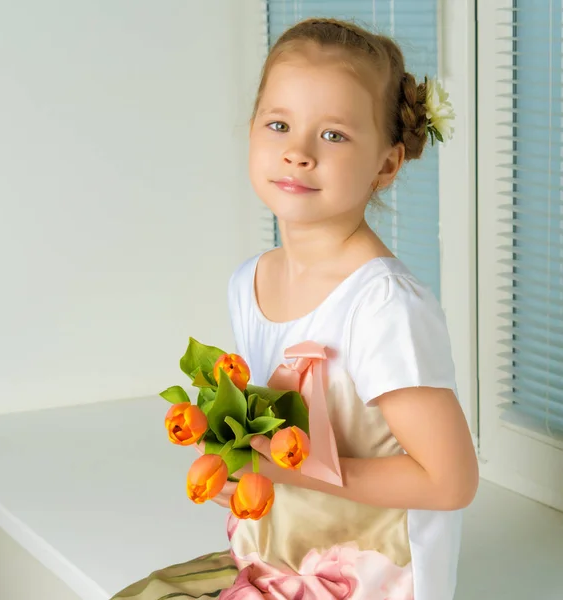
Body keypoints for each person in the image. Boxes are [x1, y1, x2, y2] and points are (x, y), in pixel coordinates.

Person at [111, 17, 478, 600]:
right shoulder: (249, 282)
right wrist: (242, 469)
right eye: (279, 124)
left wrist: (289, 471)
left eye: (333, 135)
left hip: (373, 576)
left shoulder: (382, 306)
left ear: (387, 163)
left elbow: (451, 480)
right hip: (280, 551)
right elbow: (282, 435)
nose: (298, 153)